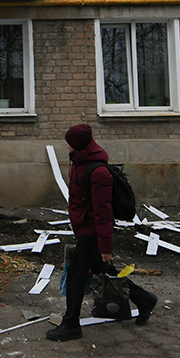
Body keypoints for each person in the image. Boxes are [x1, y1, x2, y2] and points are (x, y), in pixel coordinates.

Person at [47, 124, 158, 341]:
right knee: (104, 271)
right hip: (85, 228)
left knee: (75, 277)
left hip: (92, 232)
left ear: (78, 144)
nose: (66, 144)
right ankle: (144, 299)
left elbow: (104, 214)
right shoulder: (79, 162)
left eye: (69, 141)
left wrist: (106, 248)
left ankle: (71, 324)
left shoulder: (98, 173)